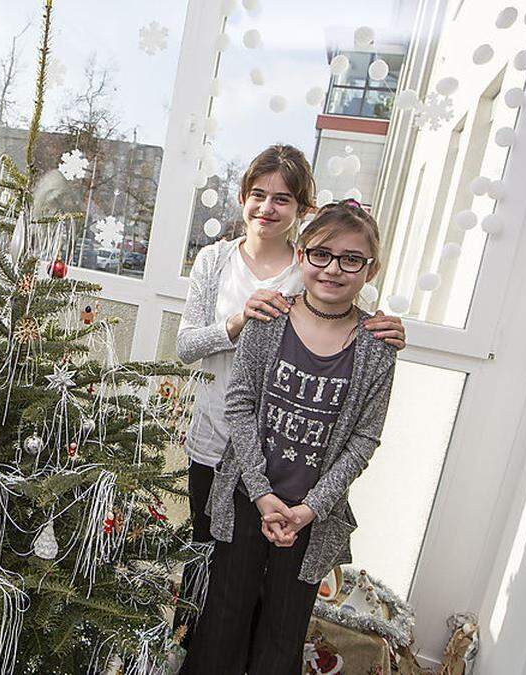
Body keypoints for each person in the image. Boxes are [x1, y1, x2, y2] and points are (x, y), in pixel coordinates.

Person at [173, 145, 404, 658]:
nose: (268, 208)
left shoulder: (308, 271)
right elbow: (188, 346)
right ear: (242, 198)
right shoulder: (217, 262)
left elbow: (340, 289)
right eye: (258, 195)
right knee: (214, 592)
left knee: (275, 612)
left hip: (299, 481)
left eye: (284, 198)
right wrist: (236, 322)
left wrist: (380, 326)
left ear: (301, 210)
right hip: (223, 454)